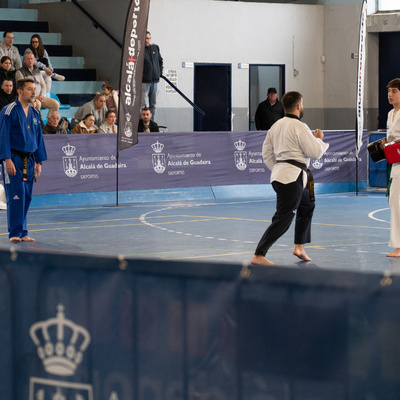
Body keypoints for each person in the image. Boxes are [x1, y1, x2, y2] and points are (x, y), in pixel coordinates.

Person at [250, 91, 329, 266]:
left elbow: (266, 154)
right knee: (284, 217)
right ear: (299, 106)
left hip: (287, 175)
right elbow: (315, 152)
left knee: (307, 205)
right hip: (291, 178)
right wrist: (319, 139)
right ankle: (259, 254)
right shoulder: (300, 126)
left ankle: (299, 246)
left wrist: (279, 169)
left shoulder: (275, 126)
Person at [0, 78, 47, 242]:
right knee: (15, 196)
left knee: (26, 196)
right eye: (29, 89)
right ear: (20, 91)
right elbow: (3, 136)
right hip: (13, 159)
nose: (34, 92)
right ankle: (14, 232)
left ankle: (23, 231)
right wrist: (7, 159)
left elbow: (39, 138)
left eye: (34, 89)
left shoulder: (34, 113)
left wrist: (39, 162)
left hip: (30, 160)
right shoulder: (9, 111)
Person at [380, 78, 400, 257]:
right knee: (394, 203)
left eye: (394, 91)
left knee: (397, 204)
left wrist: (391, 146)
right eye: (389, 91)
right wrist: (385, 145)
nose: (390, 94)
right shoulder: (390, 114)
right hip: (394, 164)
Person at [141, 31, 163, 119]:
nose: (147, 40)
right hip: (144, 82)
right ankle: (143, 123)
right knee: (143, 104)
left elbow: (160, 61)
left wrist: (159, 72)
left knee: (154, 104)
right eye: (145, 38)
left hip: (155, 81)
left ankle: (152, 122)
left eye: (148, 38)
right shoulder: (139, 50)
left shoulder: (155, 48)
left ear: (150, 39)